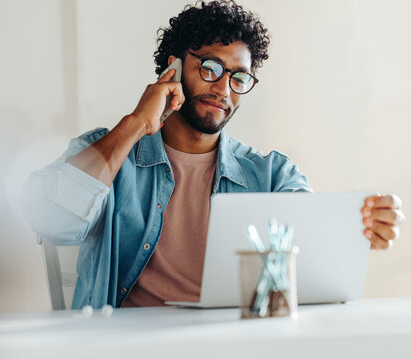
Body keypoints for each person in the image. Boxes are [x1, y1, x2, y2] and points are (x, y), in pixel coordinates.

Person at [22, 1, 404, 309]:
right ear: (173, 66)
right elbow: (53, 221)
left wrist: (359, 231)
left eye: (238, 78)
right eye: (210, 68)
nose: (223, 88)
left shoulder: (272, 175)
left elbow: (311, 270)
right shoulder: (111, 151)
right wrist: (137, 121)